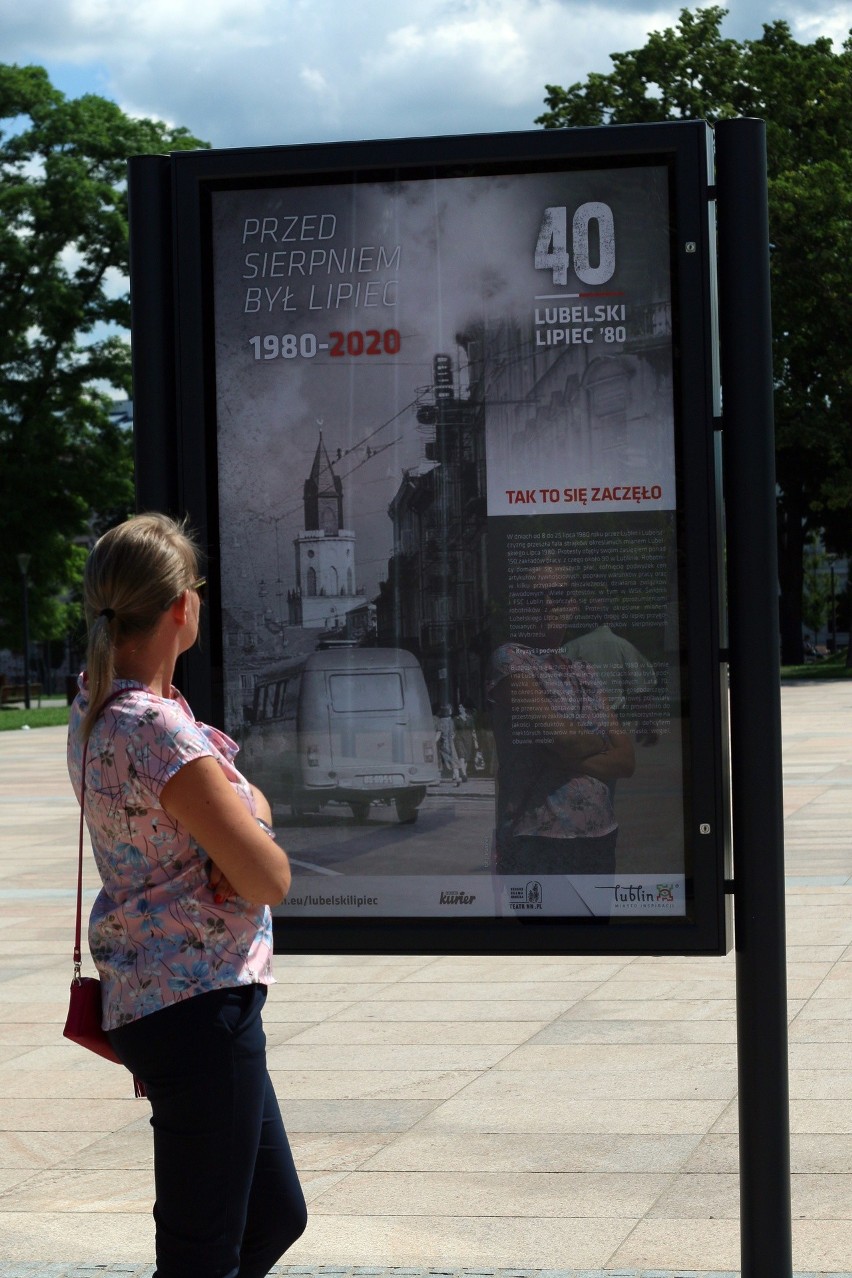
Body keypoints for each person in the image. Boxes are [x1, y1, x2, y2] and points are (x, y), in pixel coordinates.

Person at [67, 513, 307, 1278]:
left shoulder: (101, 705)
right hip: (200, 1007)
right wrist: (242, 839)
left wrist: (241, 827)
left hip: (162, 1000)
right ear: (181, 606)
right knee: (203, 1256)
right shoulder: (156, 729)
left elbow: (248, 806)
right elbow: (270, 878)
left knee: (271, 1216)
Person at [488, 563, 635, 875]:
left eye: (557, 595)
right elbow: (561, 738)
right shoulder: (511, 660)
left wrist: (568, 756)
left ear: (572, 603)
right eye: (533, 597)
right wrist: (599, 741)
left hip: (600, 835)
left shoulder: (584, 671)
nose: (546, 605)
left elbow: (625, 761)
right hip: (536, 840)